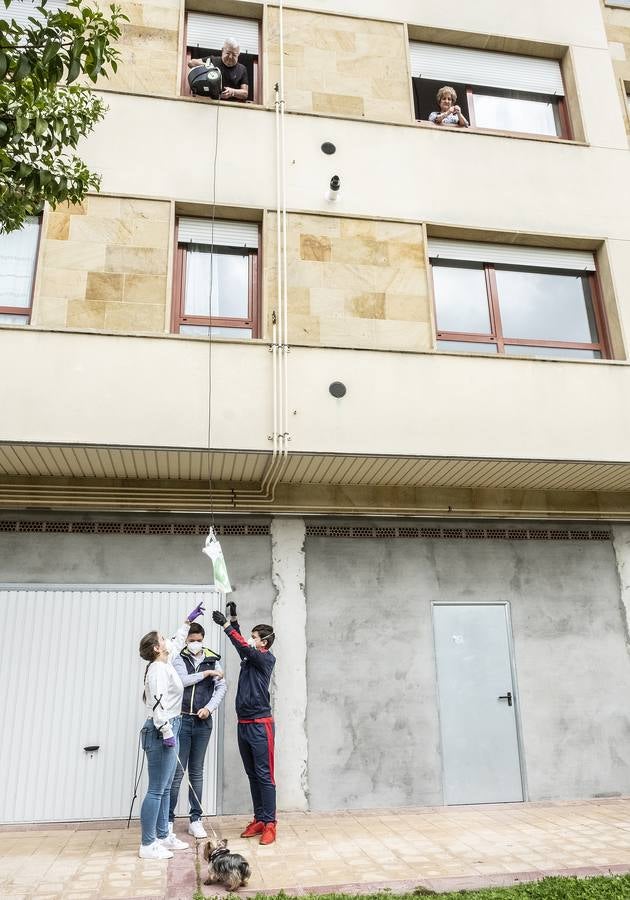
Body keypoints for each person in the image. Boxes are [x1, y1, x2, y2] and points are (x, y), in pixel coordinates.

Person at [137, 602, 205, 860]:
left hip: (171, 726)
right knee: (156, 788)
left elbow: (177, 642)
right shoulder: (156, 671)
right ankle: (147, 844)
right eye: (163, 638)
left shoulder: (165, 662)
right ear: (157, 648)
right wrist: (167, 733)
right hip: (160, 731)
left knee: (165, 788)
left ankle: (163, 837)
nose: (168, 640)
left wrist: (187, 622)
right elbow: (158, 705)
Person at [212, 602, 277, 845]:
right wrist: (234, 618)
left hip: (261, 725)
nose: (250, 640)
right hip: (244, 723)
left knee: (265, 775)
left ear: (264, 643)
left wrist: (227, 626)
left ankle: (270, 823)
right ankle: (259, 819)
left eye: (254, 637)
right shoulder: (250, 657)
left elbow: (242, 645)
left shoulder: (265, 659)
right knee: (252, 774)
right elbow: (241, 645)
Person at [168, 622, 227, 839]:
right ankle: (168, 820)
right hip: (181, 720)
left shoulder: (213, 658)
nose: (194, 644)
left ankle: (196, 819)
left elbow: (221, 687)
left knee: (197, 771)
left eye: (198, 640)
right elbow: (182, 682)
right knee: (176, 772)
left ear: (203, 638)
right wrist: (207, 674)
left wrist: (209, 709)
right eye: (191, 640)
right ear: (186, 641)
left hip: (203, 722)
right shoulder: (178, 658)